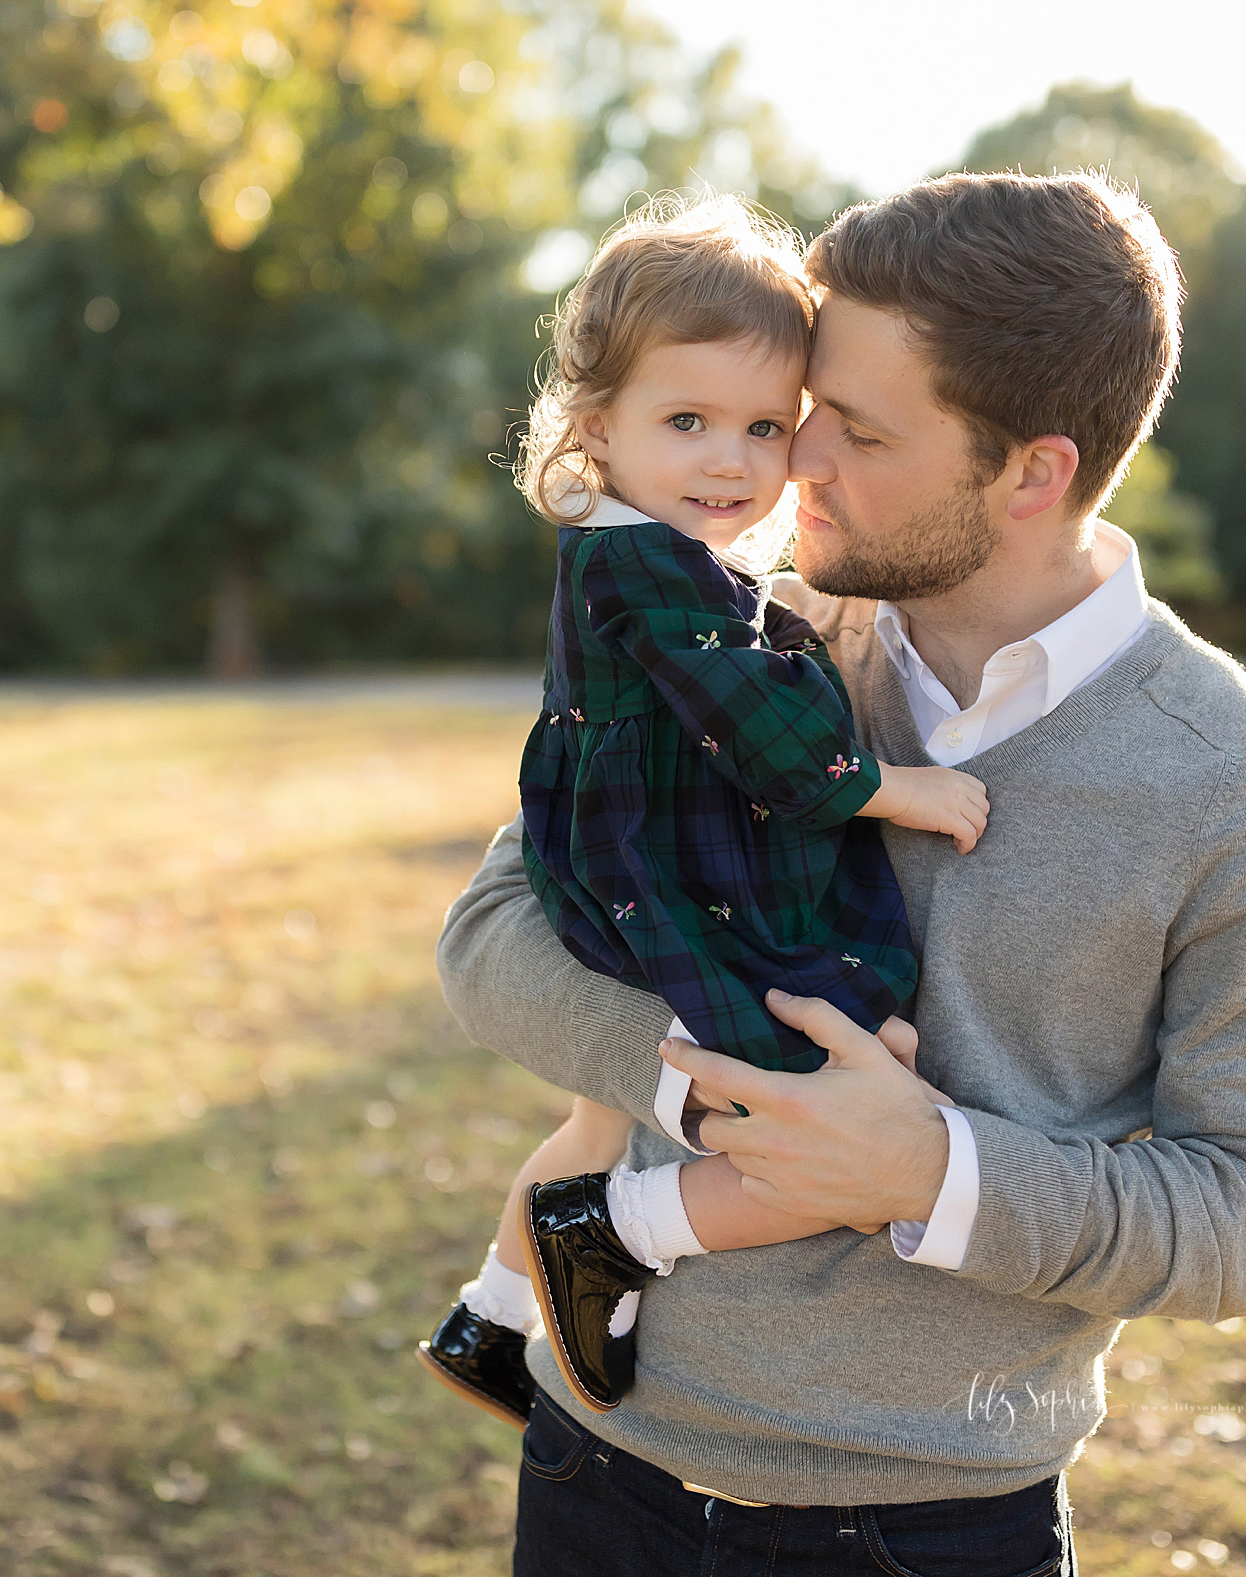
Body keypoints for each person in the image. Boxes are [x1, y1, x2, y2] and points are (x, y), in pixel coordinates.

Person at [438, 171, 1246, 1576]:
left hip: (922, 1527)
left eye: (854, 429)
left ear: (1032, 471)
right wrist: (702, 1082)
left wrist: (936, 1168)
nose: (791, 459)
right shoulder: (753, 632)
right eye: (804, 406)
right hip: (593, 1463)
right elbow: (498, 932)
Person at [415, 196, 991, 1428]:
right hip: (672, 869)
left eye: (761, 428)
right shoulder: (652, 568)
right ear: (595, 426)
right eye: (686, 422)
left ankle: (489, 1317)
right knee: (847, 1107)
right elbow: (774, 743)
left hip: (618, 854)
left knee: (598, 1105)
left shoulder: (629, 544)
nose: (730, 461)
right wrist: (897, 788)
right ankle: (617, 1228)